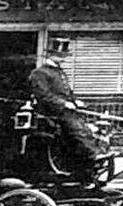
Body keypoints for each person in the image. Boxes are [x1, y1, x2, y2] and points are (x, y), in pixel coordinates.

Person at [28, 37, 104, 181]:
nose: (61, 58)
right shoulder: (39, 73)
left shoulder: (60, 73)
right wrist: (63, 104)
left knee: (85, 124)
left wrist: (76, 101)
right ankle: (92, 154)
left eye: (63, 56)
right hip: (49, 111)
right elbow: (43, 95)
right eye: (58, 55)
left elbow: (67, 93)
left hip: (63, 110)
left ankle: (87, 161)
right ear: (50, 55)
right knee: (73, 124)